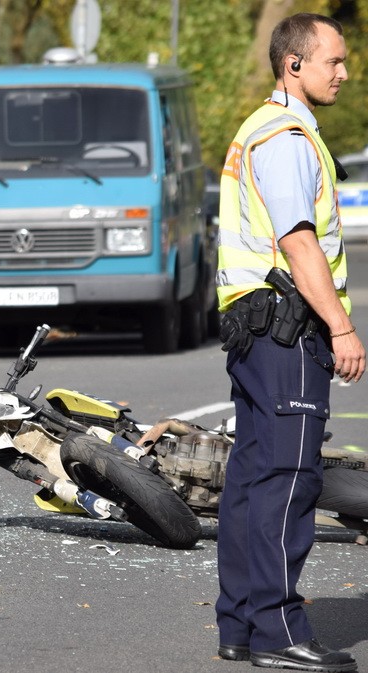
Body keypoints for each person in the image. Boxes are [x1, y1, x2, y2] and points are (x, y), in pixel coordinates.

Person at [215, 13, 365, 673]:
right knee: (287, 478)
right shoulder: (285, 136)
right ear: (294, 65)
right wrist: (341, 325)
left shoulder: (262, 128)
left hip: (254, 325)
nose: (344, 71)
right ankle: (278, 633)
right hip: (285, 327)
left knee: (252, 476)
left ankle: (243, 624)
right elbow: (299, 240)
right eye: (333, 60)